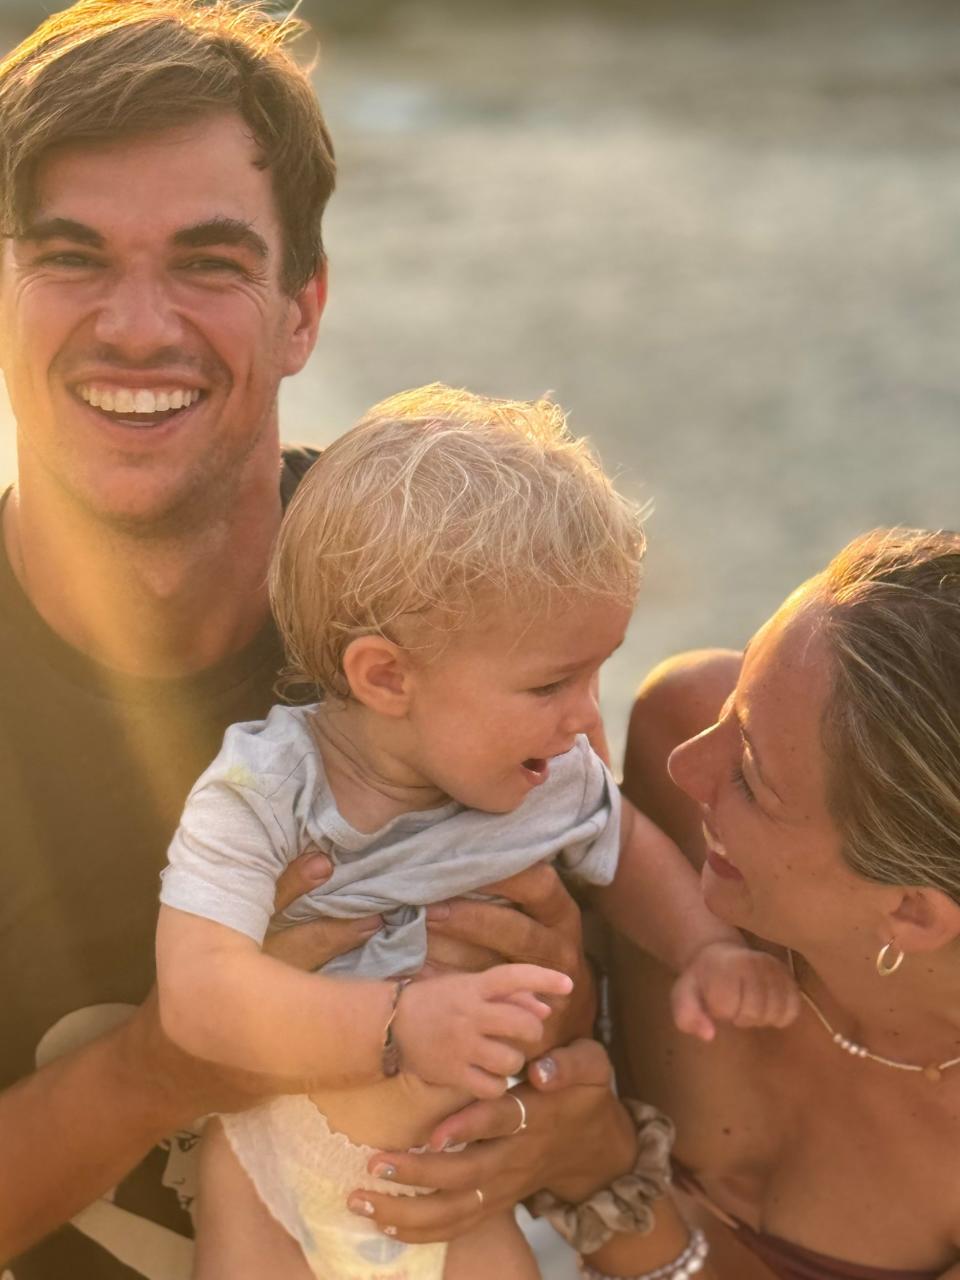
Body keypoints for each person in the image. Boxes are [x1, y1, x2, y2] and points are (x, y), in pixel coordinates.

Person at [155, 383, 799, 1280]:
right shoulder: (262, 792)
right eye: (550, 685)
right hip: (275, 1168)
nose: (585, 720)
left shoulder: (544, 780)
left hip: (455, 1187)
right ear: (386, 678)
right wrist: (396, 1024)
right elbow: (197, 994)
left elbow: (629, 854)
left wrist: (706, 950)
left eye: (598, 673)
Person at [353, 527, 960, 1280]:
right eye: (740, 706)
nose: (684, 764)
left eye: (750, 778)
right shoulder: (683, 729)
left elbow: (591, 1161)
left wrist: (599, 1174)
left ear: (913, 914)